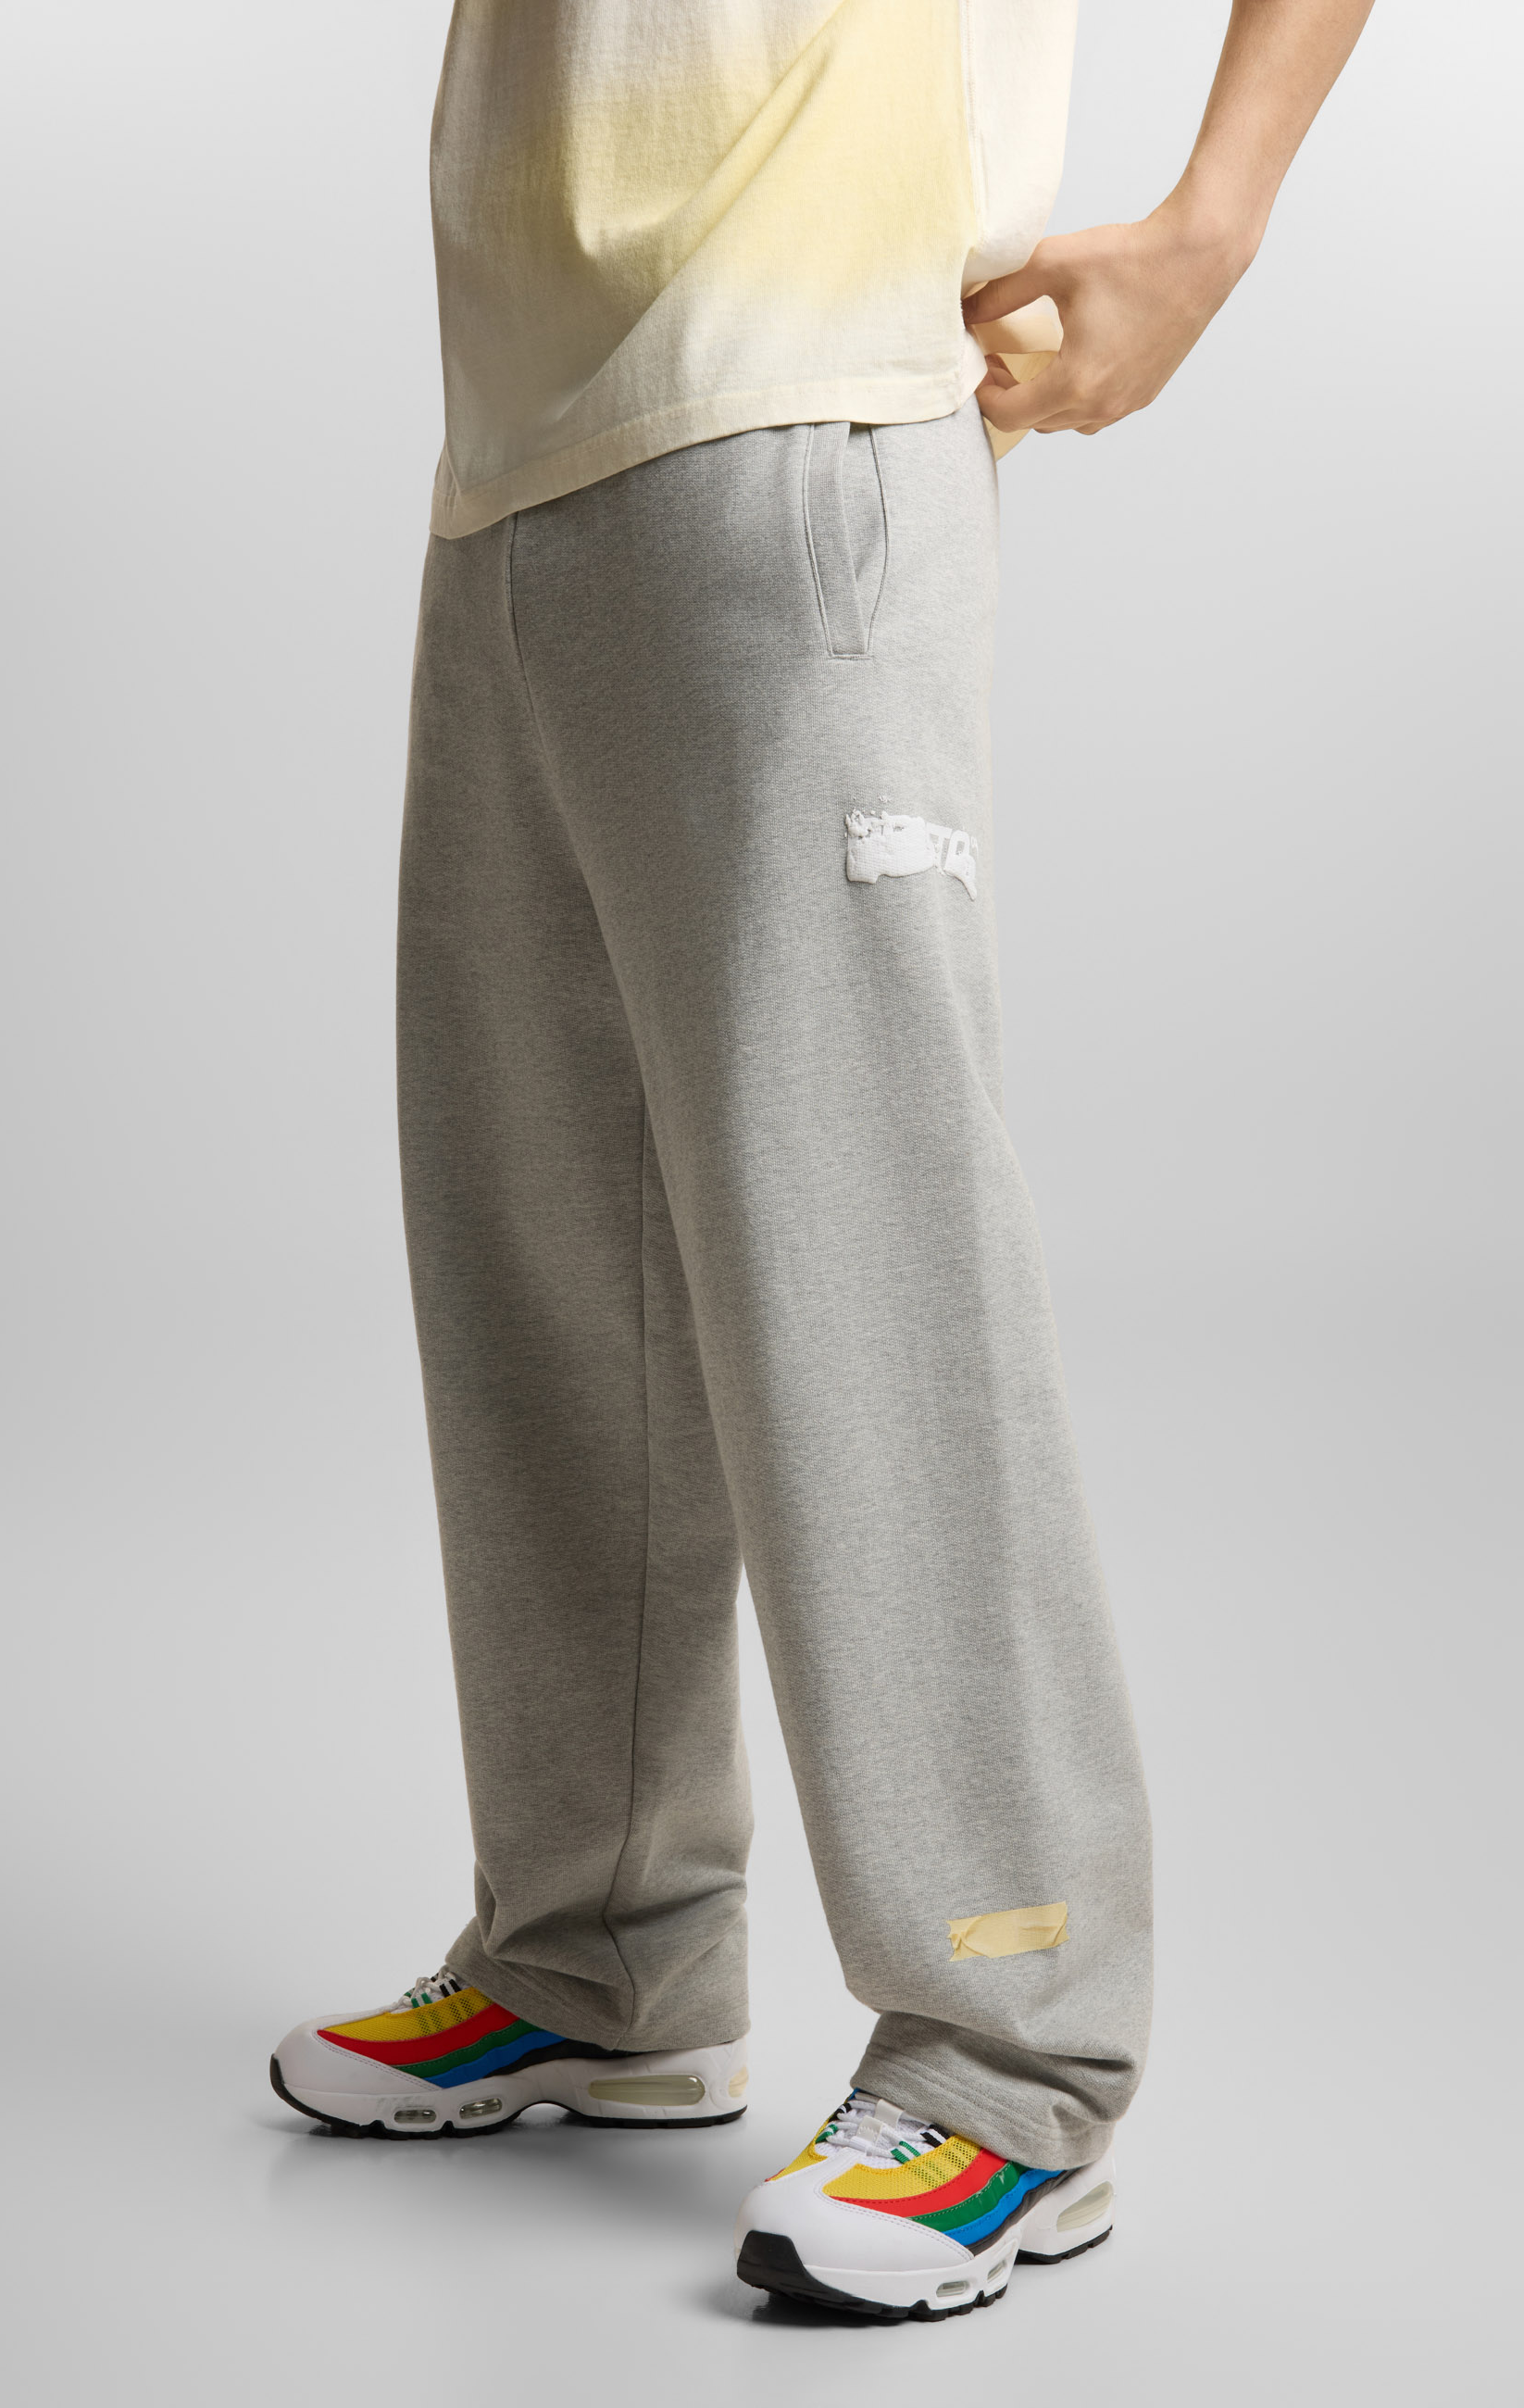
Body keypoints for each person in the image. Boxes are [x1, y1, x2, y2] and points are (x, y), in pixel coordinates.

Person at [271, 0, 1373, 2322]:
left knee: (861, 1244)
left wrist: (1217, 218)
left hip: (816, 394)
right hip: (522, 433)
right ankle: (601, 1952)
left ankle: (1012, 2053)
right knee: (543, 1251)